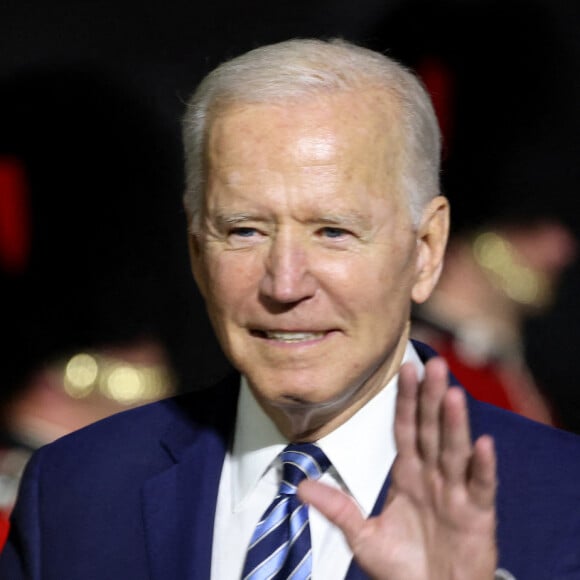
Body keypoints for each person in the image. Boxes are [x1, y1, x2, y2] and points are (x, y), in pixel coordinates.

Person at [1, 38, 580, 580]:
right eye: (245, 230)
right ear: (196, 248)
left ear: (426, 250)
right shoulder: (73, 490)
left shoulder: (564, 498)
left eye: (333, 231)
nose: (284, 283)